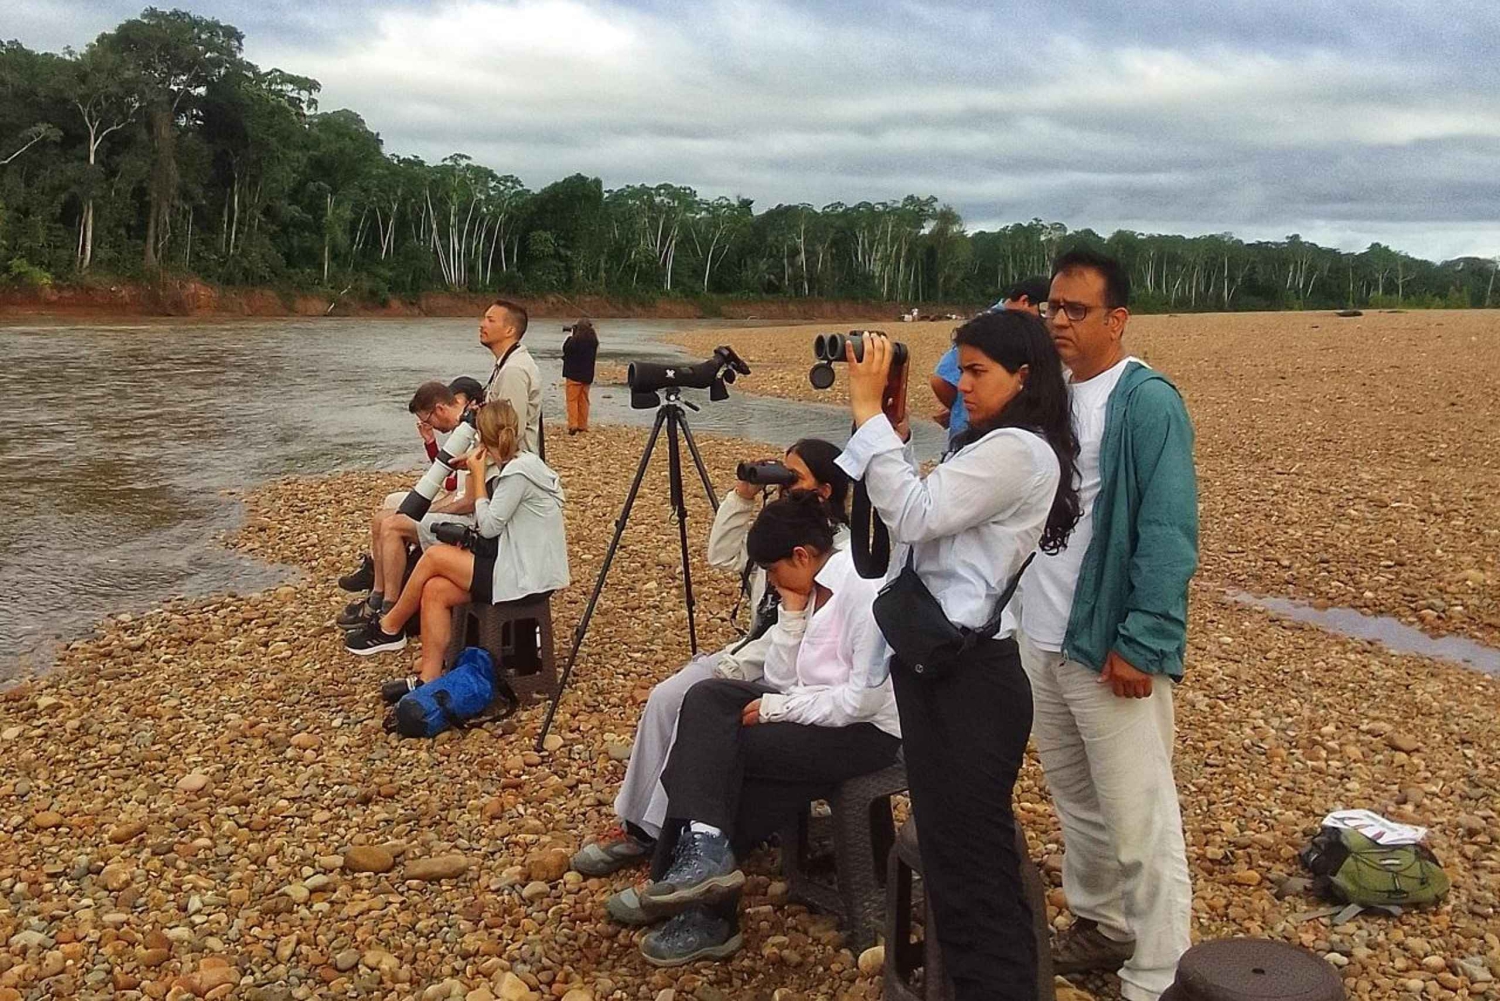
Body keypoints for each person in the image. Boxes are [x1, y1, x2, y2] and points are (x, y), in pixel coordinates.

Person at [835, 311, 1082, 1001]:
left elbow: (913, 515)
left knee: (977, 875)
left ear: (1024, 376)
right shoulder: (991, 442)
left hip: (971, 684)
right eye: (960, 367)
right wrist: (886, 423)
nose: (962, 385)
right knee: (951, 862)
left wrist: (865, 411)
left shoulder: (1022, 452)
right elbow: (922, 524)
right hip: (941, 670)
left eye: (977, 372)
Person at [1016, 247, 1197, 1001]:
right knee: (1077, 799)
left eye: (1075, 309)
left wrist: (1144, 641)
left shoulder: (1146, 401)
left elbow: (1168, 530)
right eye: (1053, 306)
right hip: (1041, 634)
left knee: (1140, 816)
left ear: (1116, 319)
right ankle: (1102, 924)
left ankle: (1159, 972)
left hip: (1105, 642)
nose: (1058, 319)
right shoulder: (1048, 392)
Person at [629, 495, 901, 966]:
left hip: (867, 733)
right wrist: (792, 616)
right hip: (814, 710)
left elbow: (863, 700)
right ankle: (705, 851)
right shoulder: (807, 588)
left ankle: (705, 908)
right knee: (707, 699)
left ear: (801, 555)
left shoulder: (860, 590)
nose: (772, 584)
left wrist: (777, 710)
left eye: (773, 572)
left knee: (723, 752)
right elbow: (781, 676)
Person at [571, 439, 851, 880]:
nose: (782, 484)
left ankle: (668, 833)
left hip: (776, 664)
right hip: (749, 649)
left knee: (693, 704)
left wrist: (735, 666)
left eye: (793, 477)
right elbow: (722, 554)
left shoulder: (835, 550)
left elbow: (806, 637)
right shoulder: (779, 527)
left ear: (826, 489)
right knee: (665, 697)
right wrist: (742, 495)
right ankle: (639, 823)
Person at [343, 400, 570, 696]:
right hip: (516, 564)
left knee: (435, 557)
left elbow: (489, 525)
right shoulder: (519, 464)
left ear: (483, 439)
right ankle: (429, 679)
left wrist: (476, 478)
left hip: (525, 575)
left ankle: (390, 626)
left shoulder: (518, 474)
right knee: (435, 589)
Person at [338, 378, 486, 629]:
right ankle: (377, 588)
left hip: (468, 517)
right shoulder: (463, 429)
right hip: (455, 502)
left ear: (440, 409)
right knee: (382, 518)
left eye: (428, 419)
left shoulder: (470, 434)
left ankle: (388, 606)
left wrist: (427, 510)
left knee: (393, 524)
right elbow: (445, 473)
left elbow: (463, 496)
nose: (429, 425)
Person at [930, 275, 1050, 448]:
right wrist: (965, 406)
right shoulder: (990, 327)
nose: (1048, 321)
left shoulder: (1001, 324)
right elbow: (940, 379)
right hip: (973, 438)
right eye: (1044, 311)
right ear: (1025, 301)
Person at [480, 299, 542, 454]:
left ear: (509, 331)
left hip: (512, 466)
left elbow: (511, 431)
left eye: (491, 320)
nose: (482, 324)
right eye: (484, 318)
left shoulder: (513, 371)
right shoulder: (510, 362)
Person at [561, 319, 598, 434]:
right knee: (584, 400)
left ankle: (573, 425)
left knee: (572, 400)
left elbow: (566, 349)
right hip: (587, 376)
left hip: (573, 375)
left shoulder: (574, 341)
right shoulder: (593, 341)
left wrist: (571, 336)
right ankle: (583, 425)